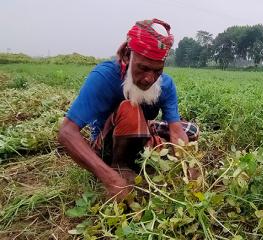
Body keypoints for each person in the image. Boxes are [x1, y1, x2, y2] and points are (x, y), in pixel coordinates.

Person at [58, 19, 199, 200]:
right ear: (126, 55)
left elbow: (176, 131)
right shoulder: (105, 77)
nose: (149, 79)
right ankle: (120, 169)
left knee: (191, 131)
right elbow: (67, 133)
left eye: (157, 71)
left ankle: (146, 154)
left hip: (141, 135)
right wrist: (109, 178)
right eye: (143, 68)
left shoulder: (166, 85)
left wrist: (188, 166)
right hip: (108, 146)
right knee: (130, 107)